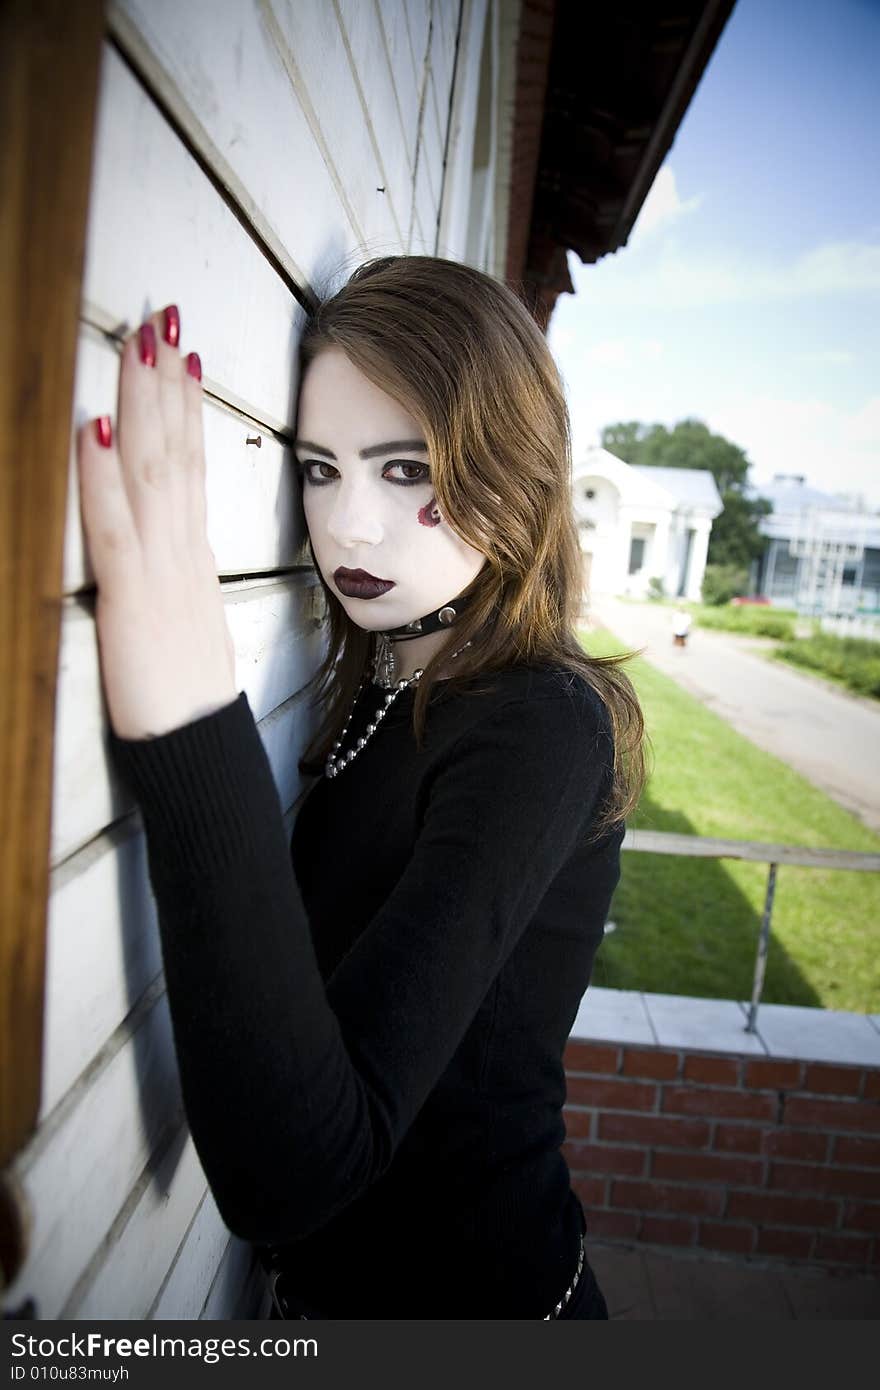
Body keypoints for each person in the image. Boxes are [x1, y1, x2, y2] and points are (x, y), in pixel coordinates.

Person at [76, 256, 646, 1320]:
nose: (347, 529)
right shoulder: (384, 687)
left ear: (508, 469)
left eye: (405, 470)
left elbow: (291, 1173)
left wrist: (194, 720)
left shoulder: (546, 724)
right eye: (319, 468)